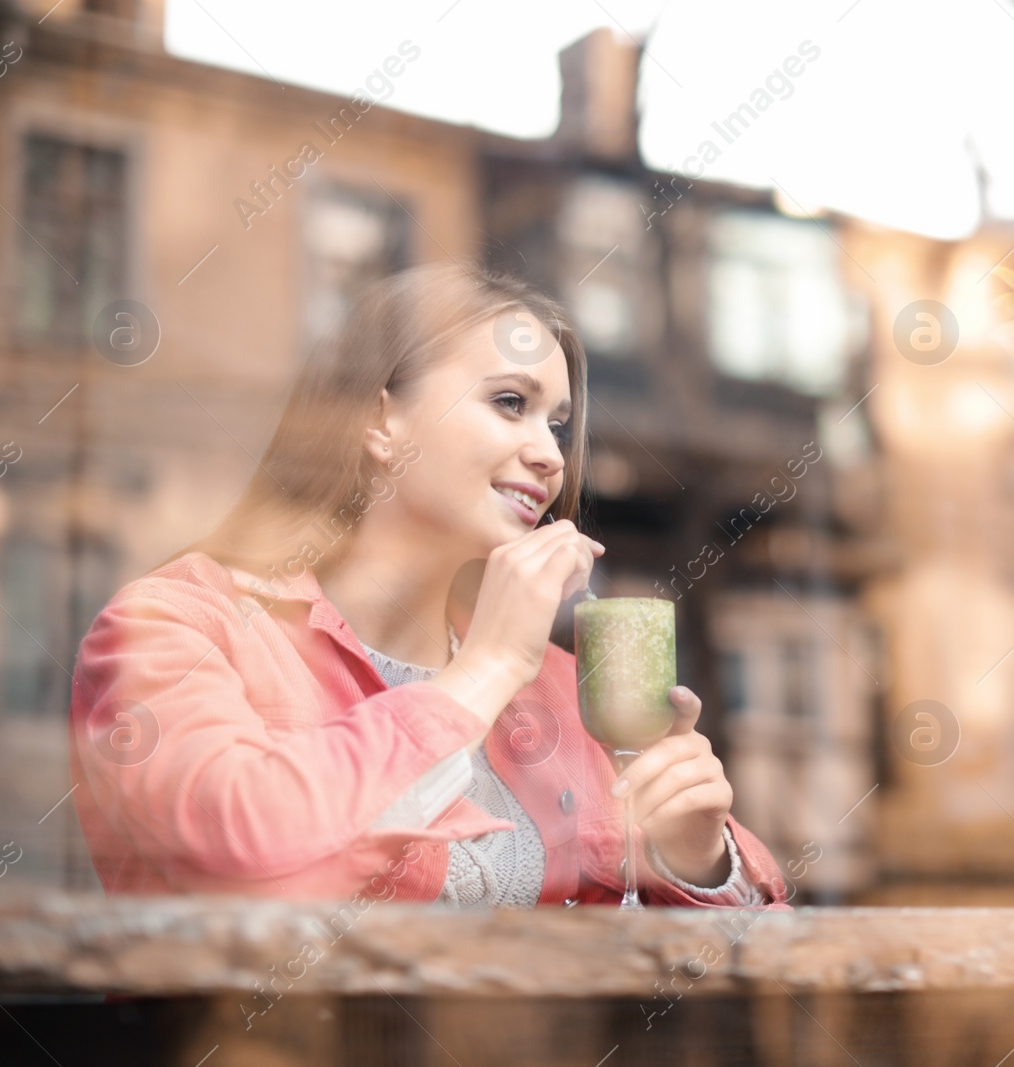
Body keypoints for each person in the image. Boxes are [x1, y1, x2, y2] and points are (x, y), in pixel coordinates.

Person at [68, 264, 788, 908]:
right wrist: (487, 668)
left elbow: (743, 961)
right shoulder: (179, 626)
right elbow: (238, 854)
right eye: (510, 402)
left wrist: (698, 863)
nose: (549, 455)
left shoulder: (563, 688)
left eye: (559, 425)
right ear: (383, 418)